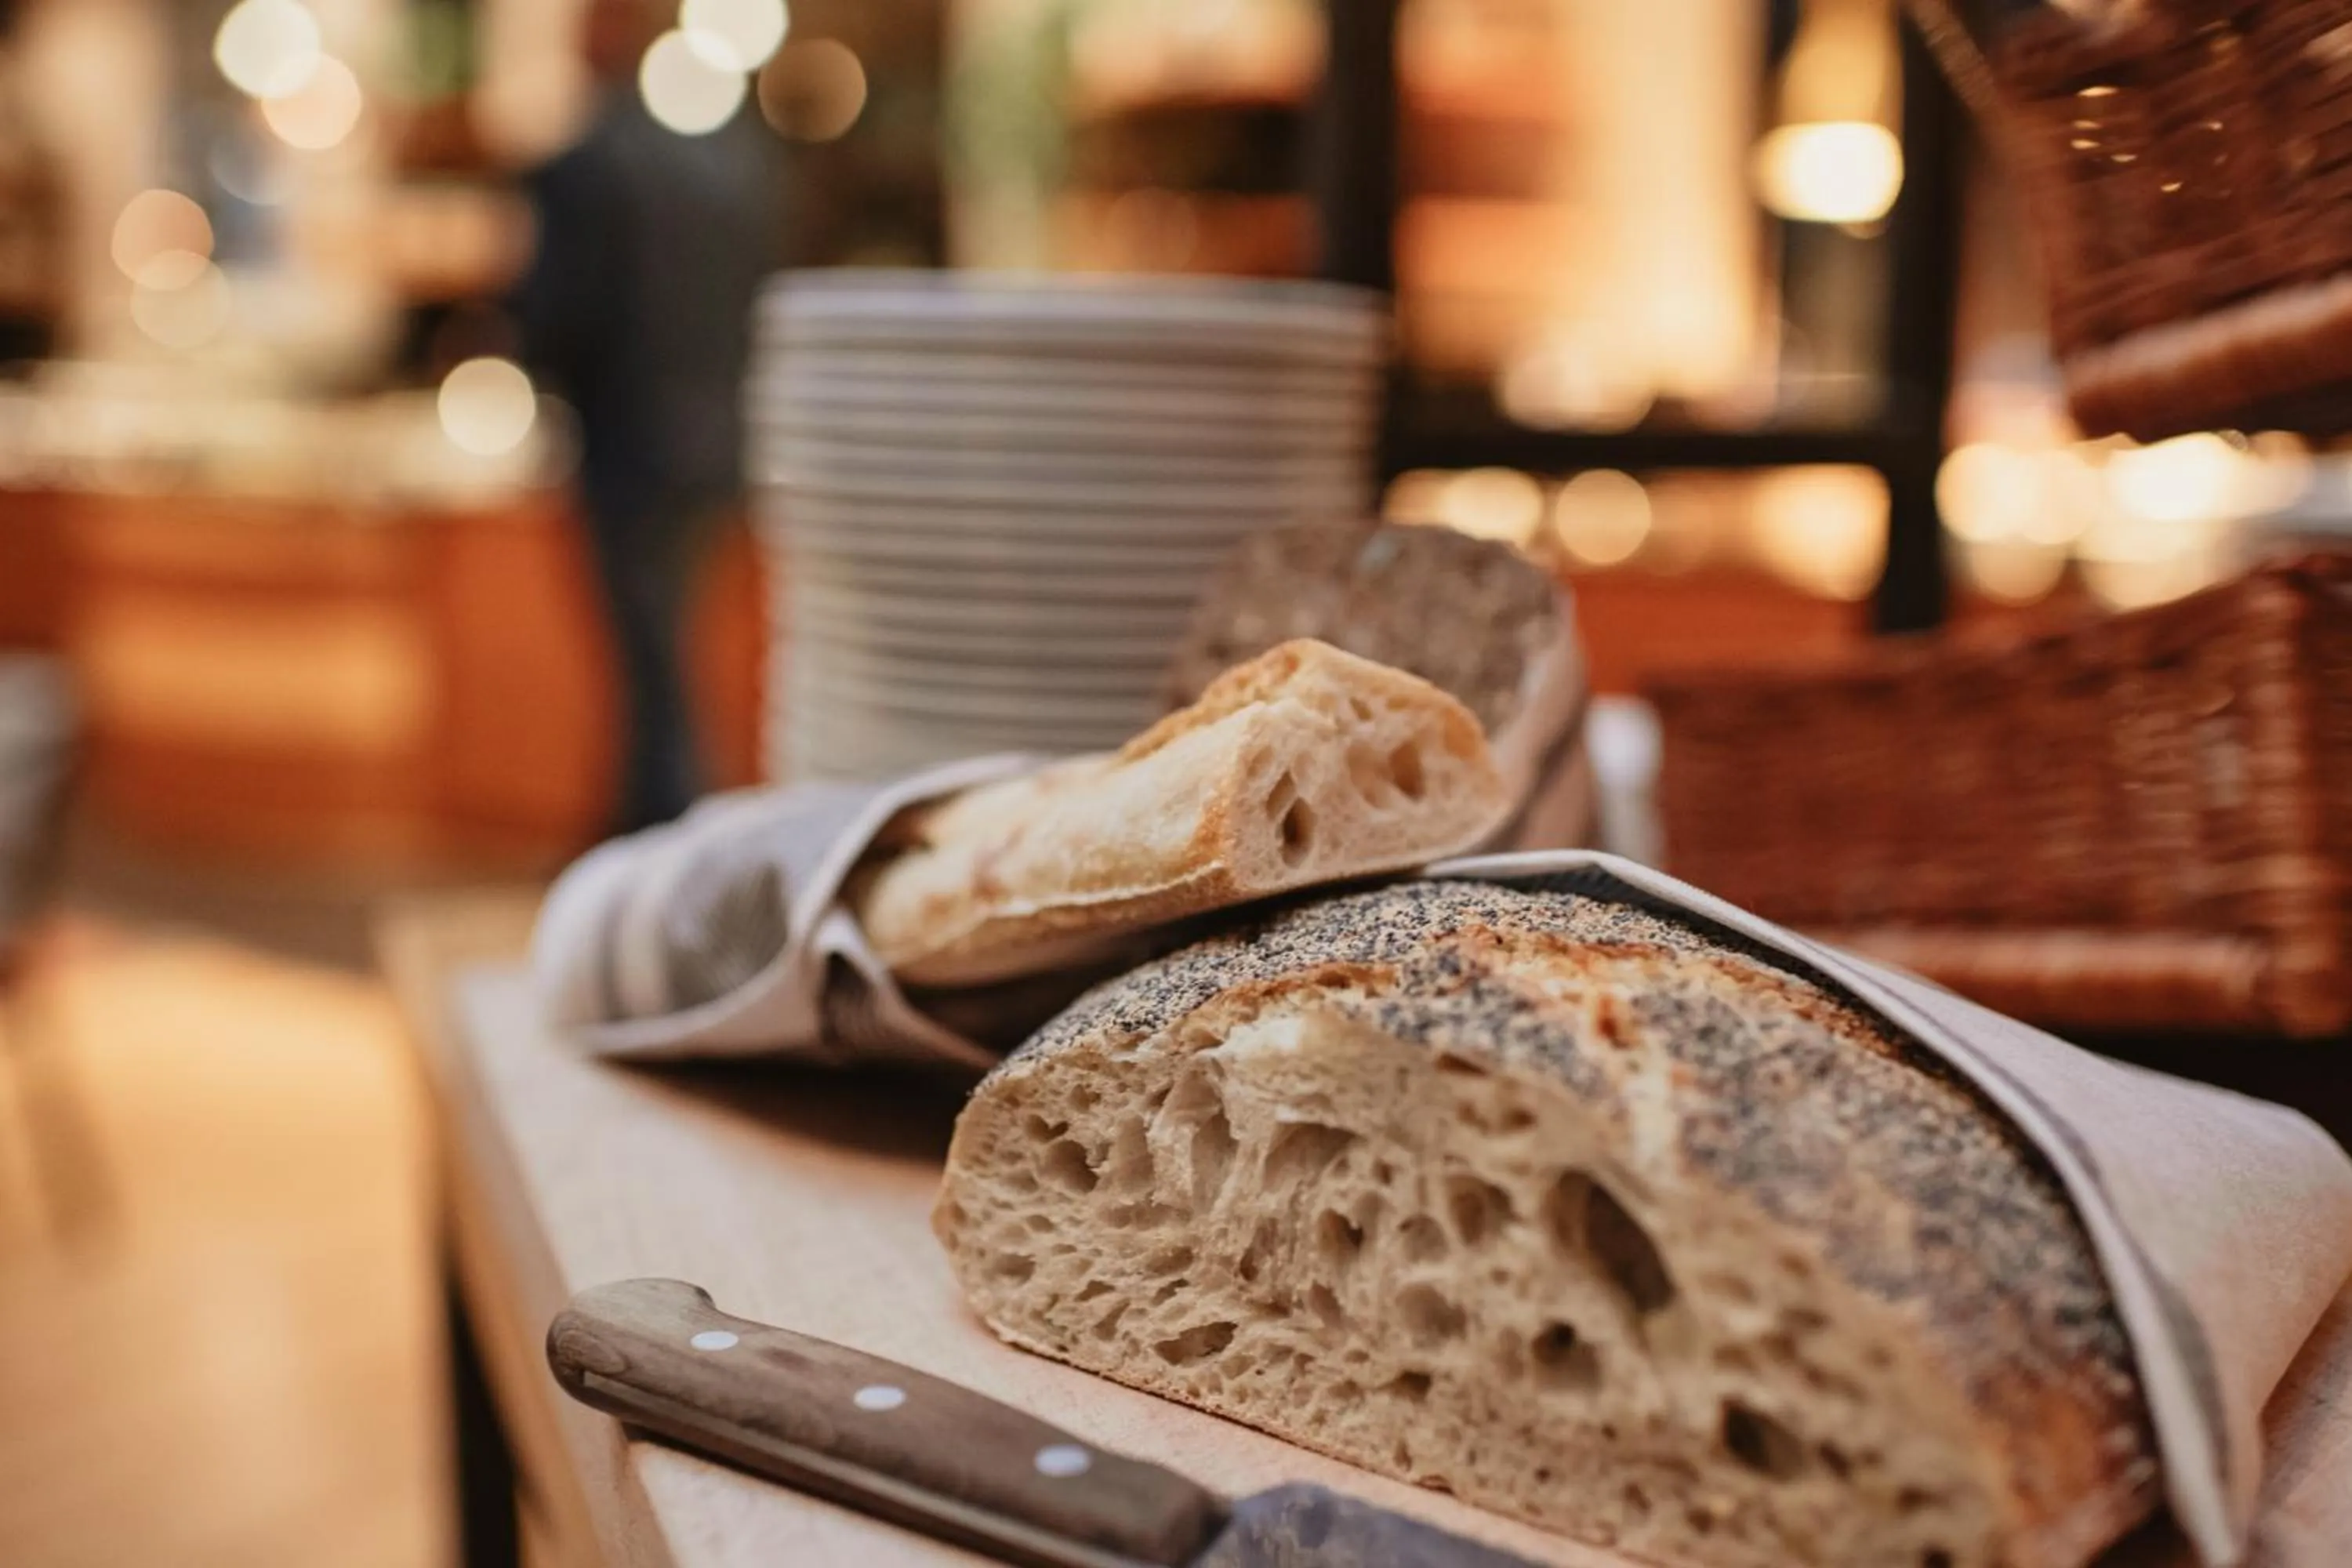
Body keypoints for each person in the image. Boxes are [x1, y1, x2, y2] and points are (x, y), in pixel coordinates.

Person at [513, 0, 782, 833]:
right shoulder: (739, 165)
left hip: (629, 452)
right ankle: (657, 844)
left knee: (653, 669)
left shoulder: (590, 164)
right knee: (675, 662)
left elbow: (556, 317)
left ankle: (663, 856)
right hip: (723, 447)